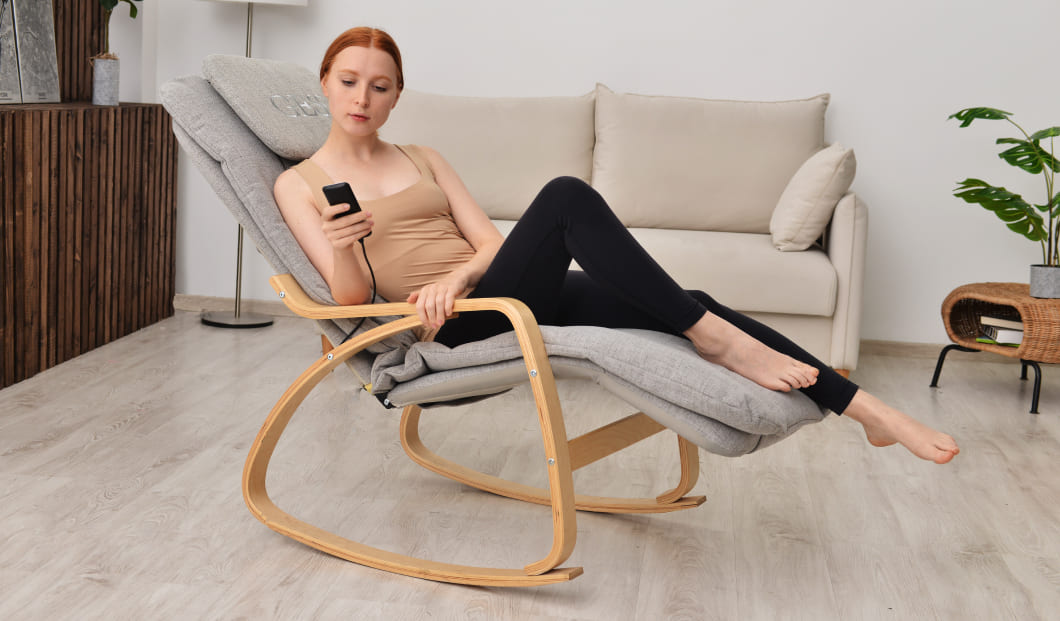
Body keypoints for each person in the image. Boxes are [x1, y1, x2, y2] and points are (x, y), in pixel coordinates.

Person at [273, 27, 960, 465]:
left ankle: (869, 411)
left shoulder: (423, 156)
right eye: (349, 81)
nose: (362, 97)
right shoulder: (299, 184)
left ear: (396, 97)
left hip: (490, 292)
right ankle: (718, 341)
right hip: (454, 329)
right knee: (566, 196)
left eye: (380, 86)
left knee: (691, 301)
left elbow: (488, 243)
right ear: (325, 84)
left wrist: (455, 276)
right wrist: (345, 246)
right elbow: (347, 300)